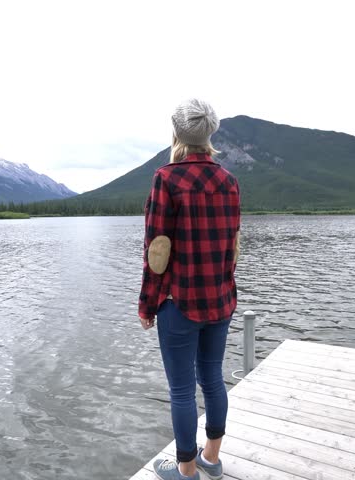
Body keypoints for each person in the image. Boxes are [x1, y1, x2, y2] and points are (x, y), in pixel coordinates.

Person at [138, 98, 241, 480]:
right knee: (212, 378)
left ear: (177, 132)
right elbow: (233, 244)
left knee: (182, 391)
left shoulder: (167, 178)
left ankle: (185, 469)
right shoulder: (229, 180)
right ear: (209, 133)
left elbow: (157, 250)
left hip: (179, 303)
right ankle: (211, 458)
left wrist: (148, 304)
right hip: (221, 299)